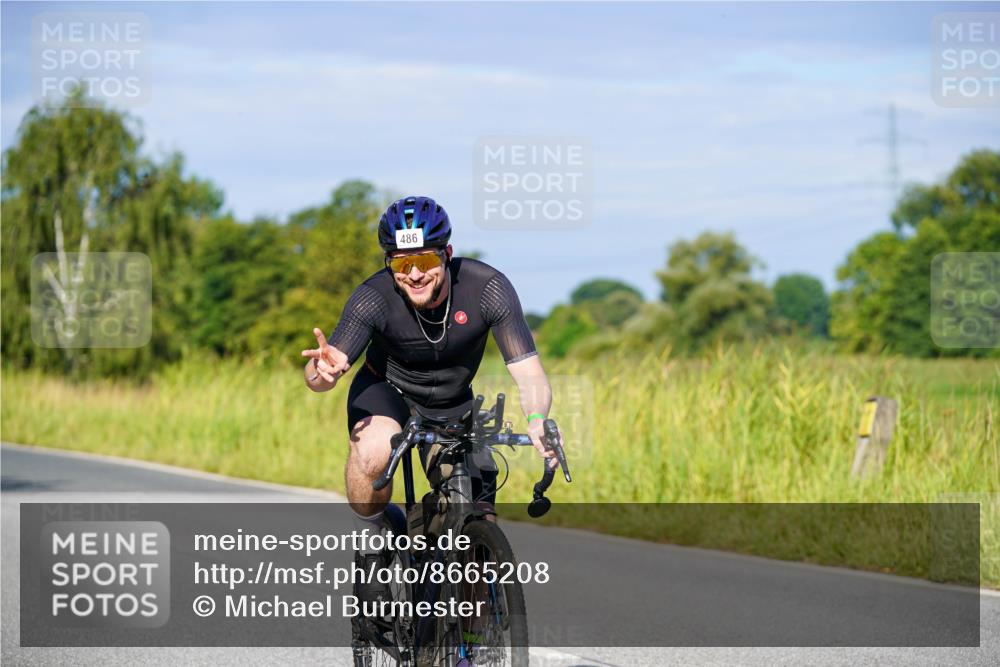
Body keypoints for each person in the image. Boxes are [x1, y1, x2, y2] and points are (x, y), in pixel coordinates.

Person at [301, 195, 562, 607]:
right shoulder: (373, 297)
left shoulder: (487, 288)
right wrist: (322, 373)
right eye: (402, 264)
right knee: (372, 452)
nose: (416, 274)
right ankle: (370, 549)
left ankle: (467, 648)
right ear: (390, 264)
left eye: (425, 260)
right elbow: (320, 377)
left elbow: (528, 371)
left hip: (453, 403)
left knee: (477, 529)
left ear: (448, 254)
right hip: (388, 392)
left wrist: (536, 418)